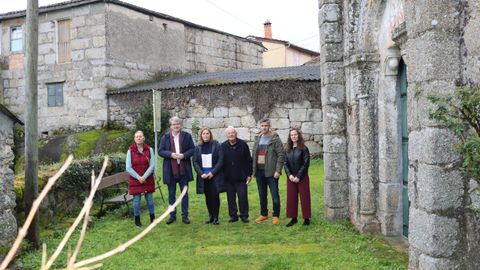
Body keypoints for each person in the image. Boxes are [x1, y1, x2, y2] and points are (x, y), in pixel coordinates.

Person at [159, 116, 195, 225]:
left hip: (183, 169)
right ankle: (172, 215)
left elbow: (192, 149)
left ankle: (185, 216)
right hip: (170, 170)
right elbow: (160, 151)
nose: (176, 126)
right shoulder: (165, 137)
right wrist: (171, 154)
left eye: (178, 124)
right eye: (174, 124)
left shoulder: (187, 136)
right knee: (171, 194)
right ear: (171, 126)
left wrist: (184, 155)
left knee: (184, 194)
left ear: (180, 125)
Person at [252, 118, 285, 225]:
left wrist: (278, 170)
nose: (264, 127)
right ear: (259, 127)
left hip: (271, 172)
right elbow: (254, 155)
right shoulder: (258, 138)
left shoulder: (275, 139)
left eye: (266, 125)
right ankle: (264, 214)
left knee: (274, 195)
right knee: (262, 195)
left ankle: (276, 215)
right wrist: (253, 171)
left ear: (269, 126)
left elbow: (281, 155)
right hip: (259, 172)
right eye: (262, 126)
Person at [193, 128, 226, 225]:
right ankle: (210, 216)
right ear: (201, 135)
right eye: (204, 134)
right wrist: (201, 173)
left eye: (207, 133)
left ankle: (216, 217)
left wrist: (213, 172)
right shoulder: (197, 147)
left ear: (210, 135)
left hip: (214, 176)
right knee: (208, 196)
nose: (206, 135)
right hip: (203, 176)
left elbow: (221, 160)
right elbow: (194, 162)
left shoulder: (216, 145)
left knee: (215, 196)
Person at [221, 126, 252, 223]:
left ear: (236, 134)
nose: (231, 135)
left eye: (233, 133)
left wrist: (249, 174)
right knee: (230, 198)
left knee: (242, 196)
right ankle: (233, 216)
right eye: (229, 133)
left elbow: (249, 161)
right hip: (228, 176)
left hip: (241, 176)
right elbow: (220, 161)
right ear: (226, 135)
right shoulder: (223, 146)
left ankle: (244, 215)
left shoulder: (243, 144)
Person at [126, 130, 156, 227]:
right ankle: (137, 220)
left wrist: (144, 176)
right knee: (136, 201)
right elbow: (128, 167)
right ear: (134, 139)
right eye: (137, 136)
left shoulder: (149, 149)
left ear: (143, 138)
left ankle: (152, 218)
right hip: (135, 179)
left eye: (140, 136)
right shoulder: (130, 151)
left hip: (147, 178)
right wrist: (139, 177)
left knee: (150, 199)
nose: (139, 138)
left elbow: (152, 165)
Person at [284, 128, 311, 227]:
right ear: (290, 137)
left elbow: (305, 163)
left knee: (304, 197)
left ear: (298, 135)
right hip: (291, 177)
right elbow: (285, 163)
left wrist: (299, 176)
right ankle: (293, 218)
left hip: (302, 177)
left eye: (295, 135)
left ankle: (306, 218)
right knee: (291, 198)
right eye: (291, 135)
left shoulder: (304, 148)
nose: (293, 136)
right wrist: (289, 175)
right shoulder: (287, 149)